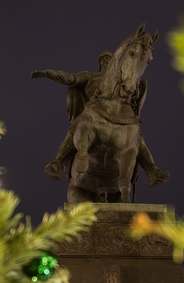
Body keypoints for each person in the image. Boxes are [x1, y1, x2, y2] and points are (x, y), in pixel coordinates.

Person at [31, 54, 169, 187]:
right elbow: (71, 78)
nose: (106, 61)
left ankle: (153, 172)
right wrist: (49, 73)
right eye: (103, 59)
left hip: (119, 116)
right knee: (76, 127)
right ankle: (58, 163)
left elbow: (135, 92)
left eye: (109, 58)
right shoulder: (90, 77)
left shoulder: (122, 80)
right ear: (100, 63)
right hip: (94, 113)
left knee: (137, 137)